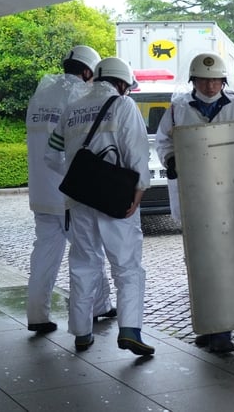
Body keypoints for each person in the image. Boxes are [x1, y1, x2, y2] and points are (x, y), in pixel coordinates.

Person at [155, 52, 234, 353]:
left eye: (216, 80)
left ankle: (223, 330)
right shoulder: (178, 108)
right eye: (205, 80)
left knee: (225, 262)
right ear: (195, 81)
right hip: (194, 197)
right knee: (198, 263)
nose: (211, 85)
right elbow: (163, 140)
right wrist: (171, 158)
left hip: (229, 195)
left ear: (223, 81)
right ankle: (206, 323)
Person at [46, 57, 153, 355]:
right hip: (116, 200)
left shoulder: (72, 110)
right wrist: (139, 191)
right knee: (127, 265)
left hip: (79, 200)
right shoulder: (123, 106)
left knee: (83, 264)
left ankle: (81, 332)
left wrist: (82, 179)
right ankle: (130, 330)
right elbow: (137, 154)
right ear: (122, 84)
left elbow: (51, 157)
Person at [25, 45, 116, 334]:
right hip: (67, 192)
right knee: (87, 251)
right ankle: (95, 308)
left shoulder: (40, 96)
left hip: (40, 192)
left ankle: (37, 314)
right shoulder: (78, 96)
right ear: (88, 71)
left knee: (44, 253)